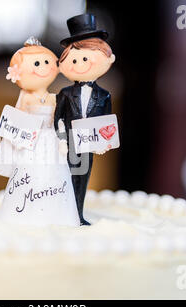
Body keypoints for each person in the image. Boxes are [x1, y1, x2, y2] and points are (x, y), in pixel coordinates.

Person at [0, 37, 80, 227]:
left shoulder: (56, 98)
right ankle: (26, 215)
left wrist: (63, 140)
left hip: (52, 141)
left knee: (55, 174)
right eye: (38, 63)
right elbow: (17, 119)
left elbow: (60, 120)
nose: (45, 67)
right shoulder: (25, 98)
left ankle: (56, 215)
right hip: (31, 142)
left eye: (48, 62)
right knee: (30, 173)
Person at [54, 14, 116, 225]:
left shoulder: (105, 95)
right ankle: (62, 212)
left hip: (88, 145)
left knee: (82, 179)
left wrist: (103, 143)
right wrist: (61, 140)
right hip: (68, 144)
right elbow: (58, 118)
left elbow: (106, 123)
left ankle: (77, 214)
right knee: (64, 177)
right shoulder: (64, 94)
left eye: (87, 58)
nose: (81, 64)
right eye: (74, 59)